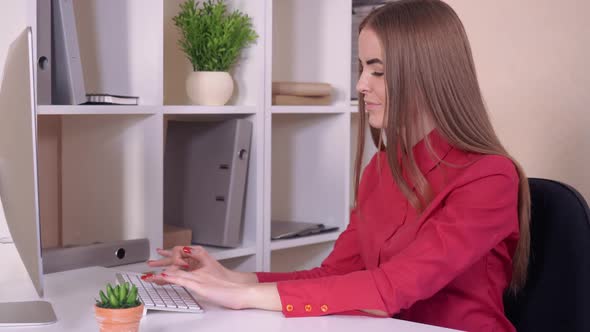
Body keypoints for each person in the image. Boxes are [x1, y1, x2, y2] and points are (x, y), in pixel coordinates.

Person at [145, 0, 530, 331]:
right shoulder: (381, 169)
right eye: (361, 68)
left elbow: (390, 289)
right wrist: (232, 277)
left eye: (377, 71)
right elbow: (335, 276)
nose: (361, 85)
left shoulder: (490, 177)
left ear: (428, 76)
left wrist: (244, 295)